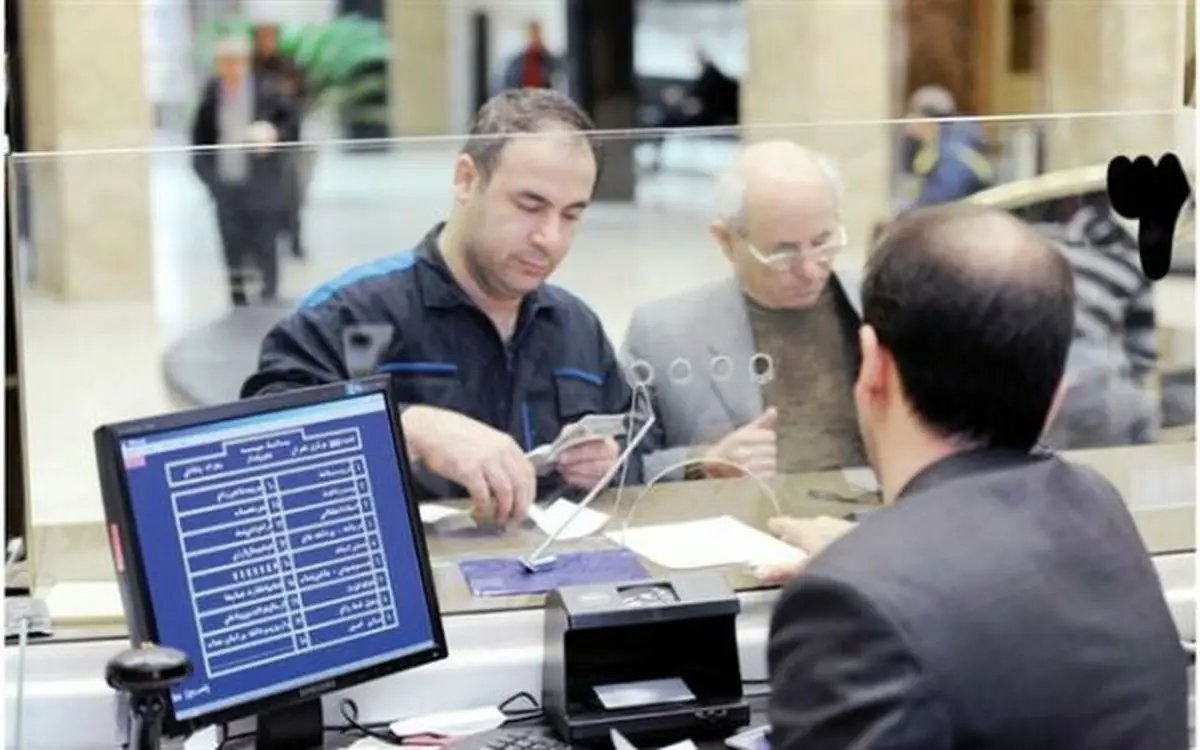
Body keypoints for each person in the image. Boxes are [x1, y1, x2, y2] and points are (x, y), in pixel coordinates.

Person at [767, 205, 1188, 749]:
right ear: (1058, 388)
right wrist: (878, 554)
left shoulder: (847, 602)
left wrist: (872, 566)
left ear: (872, 365)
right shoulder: (1095, 505)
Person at [242, 88, 641, 523]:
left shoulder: (576, 329)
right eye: (530, 206)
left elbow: (640, 451)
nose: (550, 238)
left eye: (571, 215)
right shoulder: (351, 313)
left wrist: (610, 464)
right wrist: (409, 428)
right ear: (467, 180)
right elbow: (260, 445)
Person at [622, 142, 866, 481]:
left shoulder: (884, 306)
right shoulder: (664, 333)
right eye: (782, 253)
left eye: (823, 242)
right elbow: (619, 469)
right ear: (725, 240)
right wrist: (702, 462)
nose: (810, 269)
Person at [1037, 193, 1161, 448]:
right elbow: (1143, 354)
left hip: (1032, 369)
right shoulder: (1134, 257)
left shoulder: (1032, 241)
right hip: (1096, 381)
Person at [191, 35, 297, 306]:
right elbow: (199, 140)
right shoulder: (212, 93)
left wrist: (273, 134)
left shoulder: (267, 90)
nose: (231, 68)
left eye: (236, 61)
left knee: (265, 242)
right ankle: (238, 299)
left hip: (261, 185)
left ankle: (268, 296)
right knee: (231, 244)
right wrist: (210, 180)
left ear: (245, 62)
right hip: (226, 184)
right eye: (224, 62)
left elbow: (291, 126)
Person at [898, 85, 994, 212]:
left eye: (913, 114)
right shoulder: (933, 147)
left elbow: (939, 200)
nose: (908, 121)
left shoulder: (953, 152)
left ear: (928, 119)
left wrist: (904, 217)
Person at [500, 21, 561, 91]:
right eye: (531, 35)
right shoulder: (516, 62)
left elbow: (557, 78)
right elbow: (510, 85)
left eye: (537, 34)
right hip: (523, 98)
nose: (534, 39)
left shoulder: (550, 60)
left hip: (544, 98)